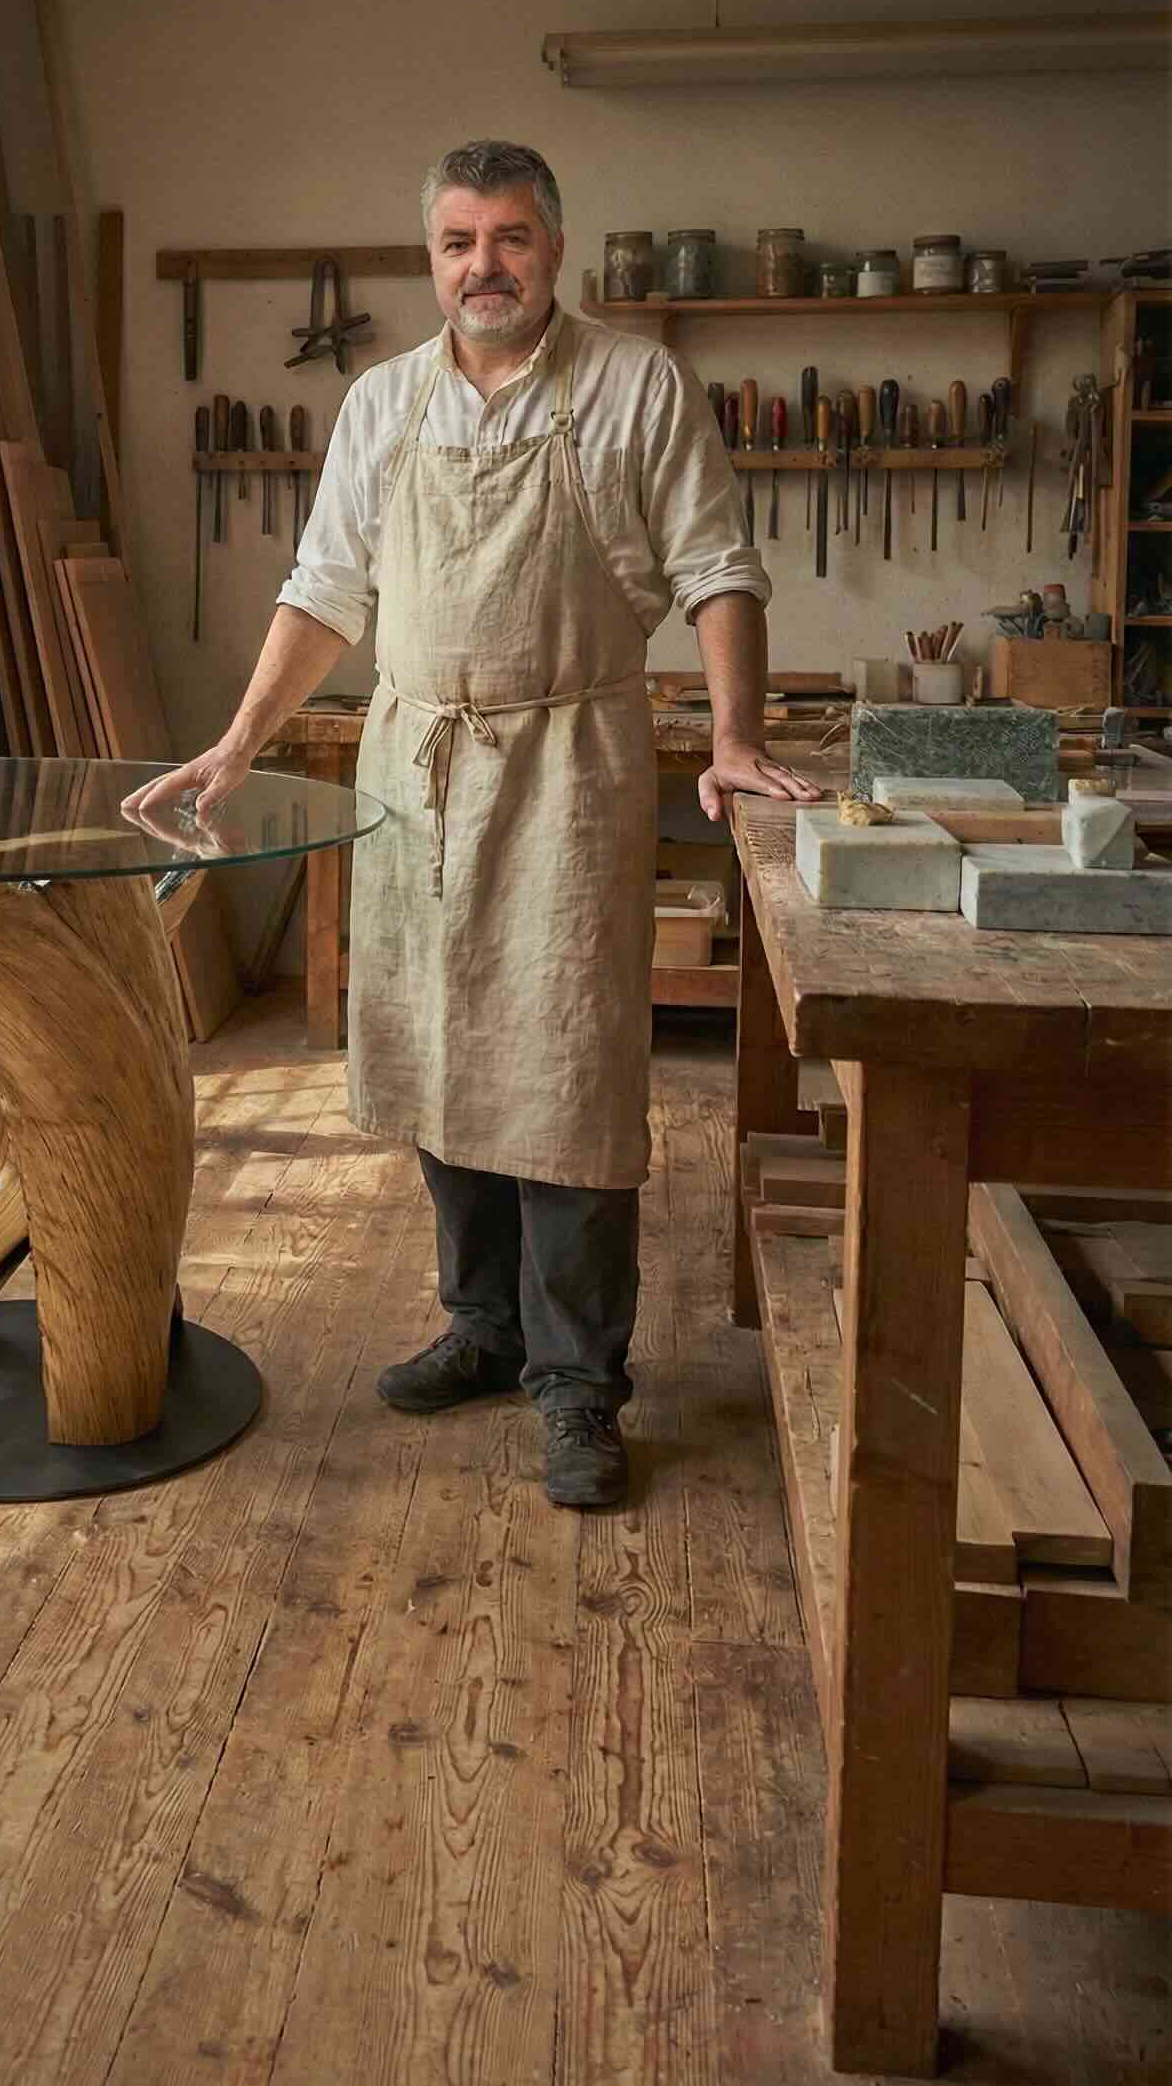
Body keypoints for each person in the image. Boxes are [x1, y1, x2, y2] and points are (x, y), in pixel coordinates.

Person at [125, 139, 821, 1508]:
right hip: (414, 765)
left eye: (509, 237)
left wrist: (734, 735)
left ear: (554, 250)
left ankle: (578, 1378)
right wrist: (235, 740)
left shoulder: (635, 387)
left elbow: (719, 570)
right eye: (457, 242)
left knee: (562, 1073)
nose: (482, 265)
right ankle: (485, 1328)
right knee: (439, 1052)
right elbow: (323, 591)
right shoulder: (384, 405)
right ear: (431, 260)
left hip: (568, 764)